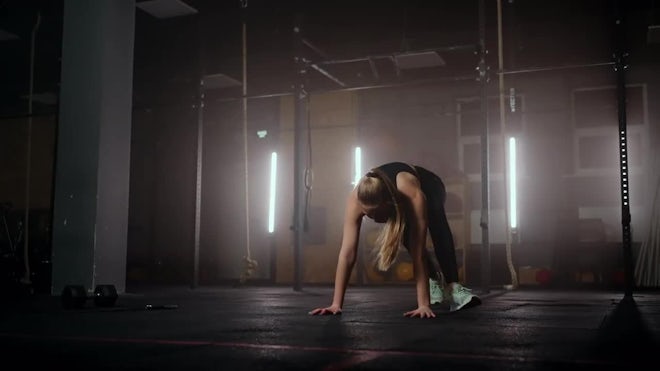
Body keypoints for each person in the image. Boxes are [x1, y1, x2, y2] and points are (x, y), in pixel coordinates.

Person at [309, 162, 481, 318]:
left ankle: (453, 287)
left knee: (437, 227)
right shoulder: (355, 200)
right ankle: (433, 282)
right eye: (369, 215)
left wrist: (423, 305)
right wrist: (336, 304)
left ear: (388, 203)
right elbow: (347, 254)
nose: (375, 219)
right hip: (398, 197)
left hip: (430, 185)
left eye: (377, 213)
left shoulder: (412, 194)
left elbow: (418, 252)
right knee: (406, 237)